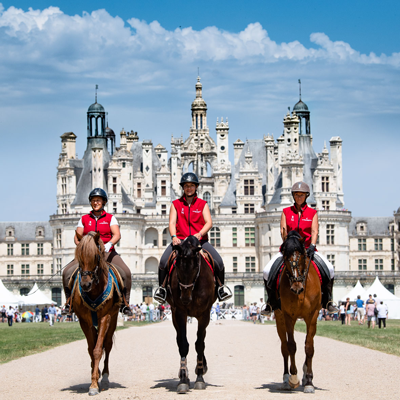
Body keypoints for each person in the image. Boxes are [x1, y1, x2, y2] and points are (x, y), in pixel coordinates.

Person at [154, 173, 232, 303]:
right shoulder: (176, 204)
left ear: (196, 187)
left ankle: (220, 288)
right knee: (163, 262)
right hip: (180, 241)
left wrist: (200, 233)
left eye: (191, 186)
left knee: (218, 261)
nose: (189, 188)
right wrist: (174, 236)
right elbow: (172, 223)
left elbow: (209, 223)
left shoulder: (202, 204)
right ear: (183, 188)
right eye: (186, 186)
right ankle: (162, 289)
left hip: (199, 242)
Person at [262, 182, 338, 315]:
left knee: (330, 269)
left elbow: (314, 231)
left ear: (306, 196)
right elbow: (282, 230)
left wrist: (312, 246)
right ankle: (270, 302)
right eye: (296, 195)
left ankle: (328, 301)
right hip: (289, 250)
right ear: (293, 196)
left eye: (301, 195)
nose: (299, 197)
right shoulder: (286, 212)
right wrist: (288, 246)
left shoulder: (312, 213)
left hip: (308, 249)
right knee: (267, 271)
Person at [61, 188, 132, 316]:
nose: (95, 203)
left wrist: (108, 244)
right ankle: (69, 303)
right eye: (93, 200)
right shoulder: (84, 219)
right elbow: (77, 237)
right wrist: (82, 247)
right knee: (66, 273)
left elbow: (117, 234)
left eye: (98, 200)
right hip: (88, 255)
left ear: (103, 202)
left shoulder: (110, 218)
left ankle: (125, 304)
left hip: (107, 252)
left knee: (126, 273)